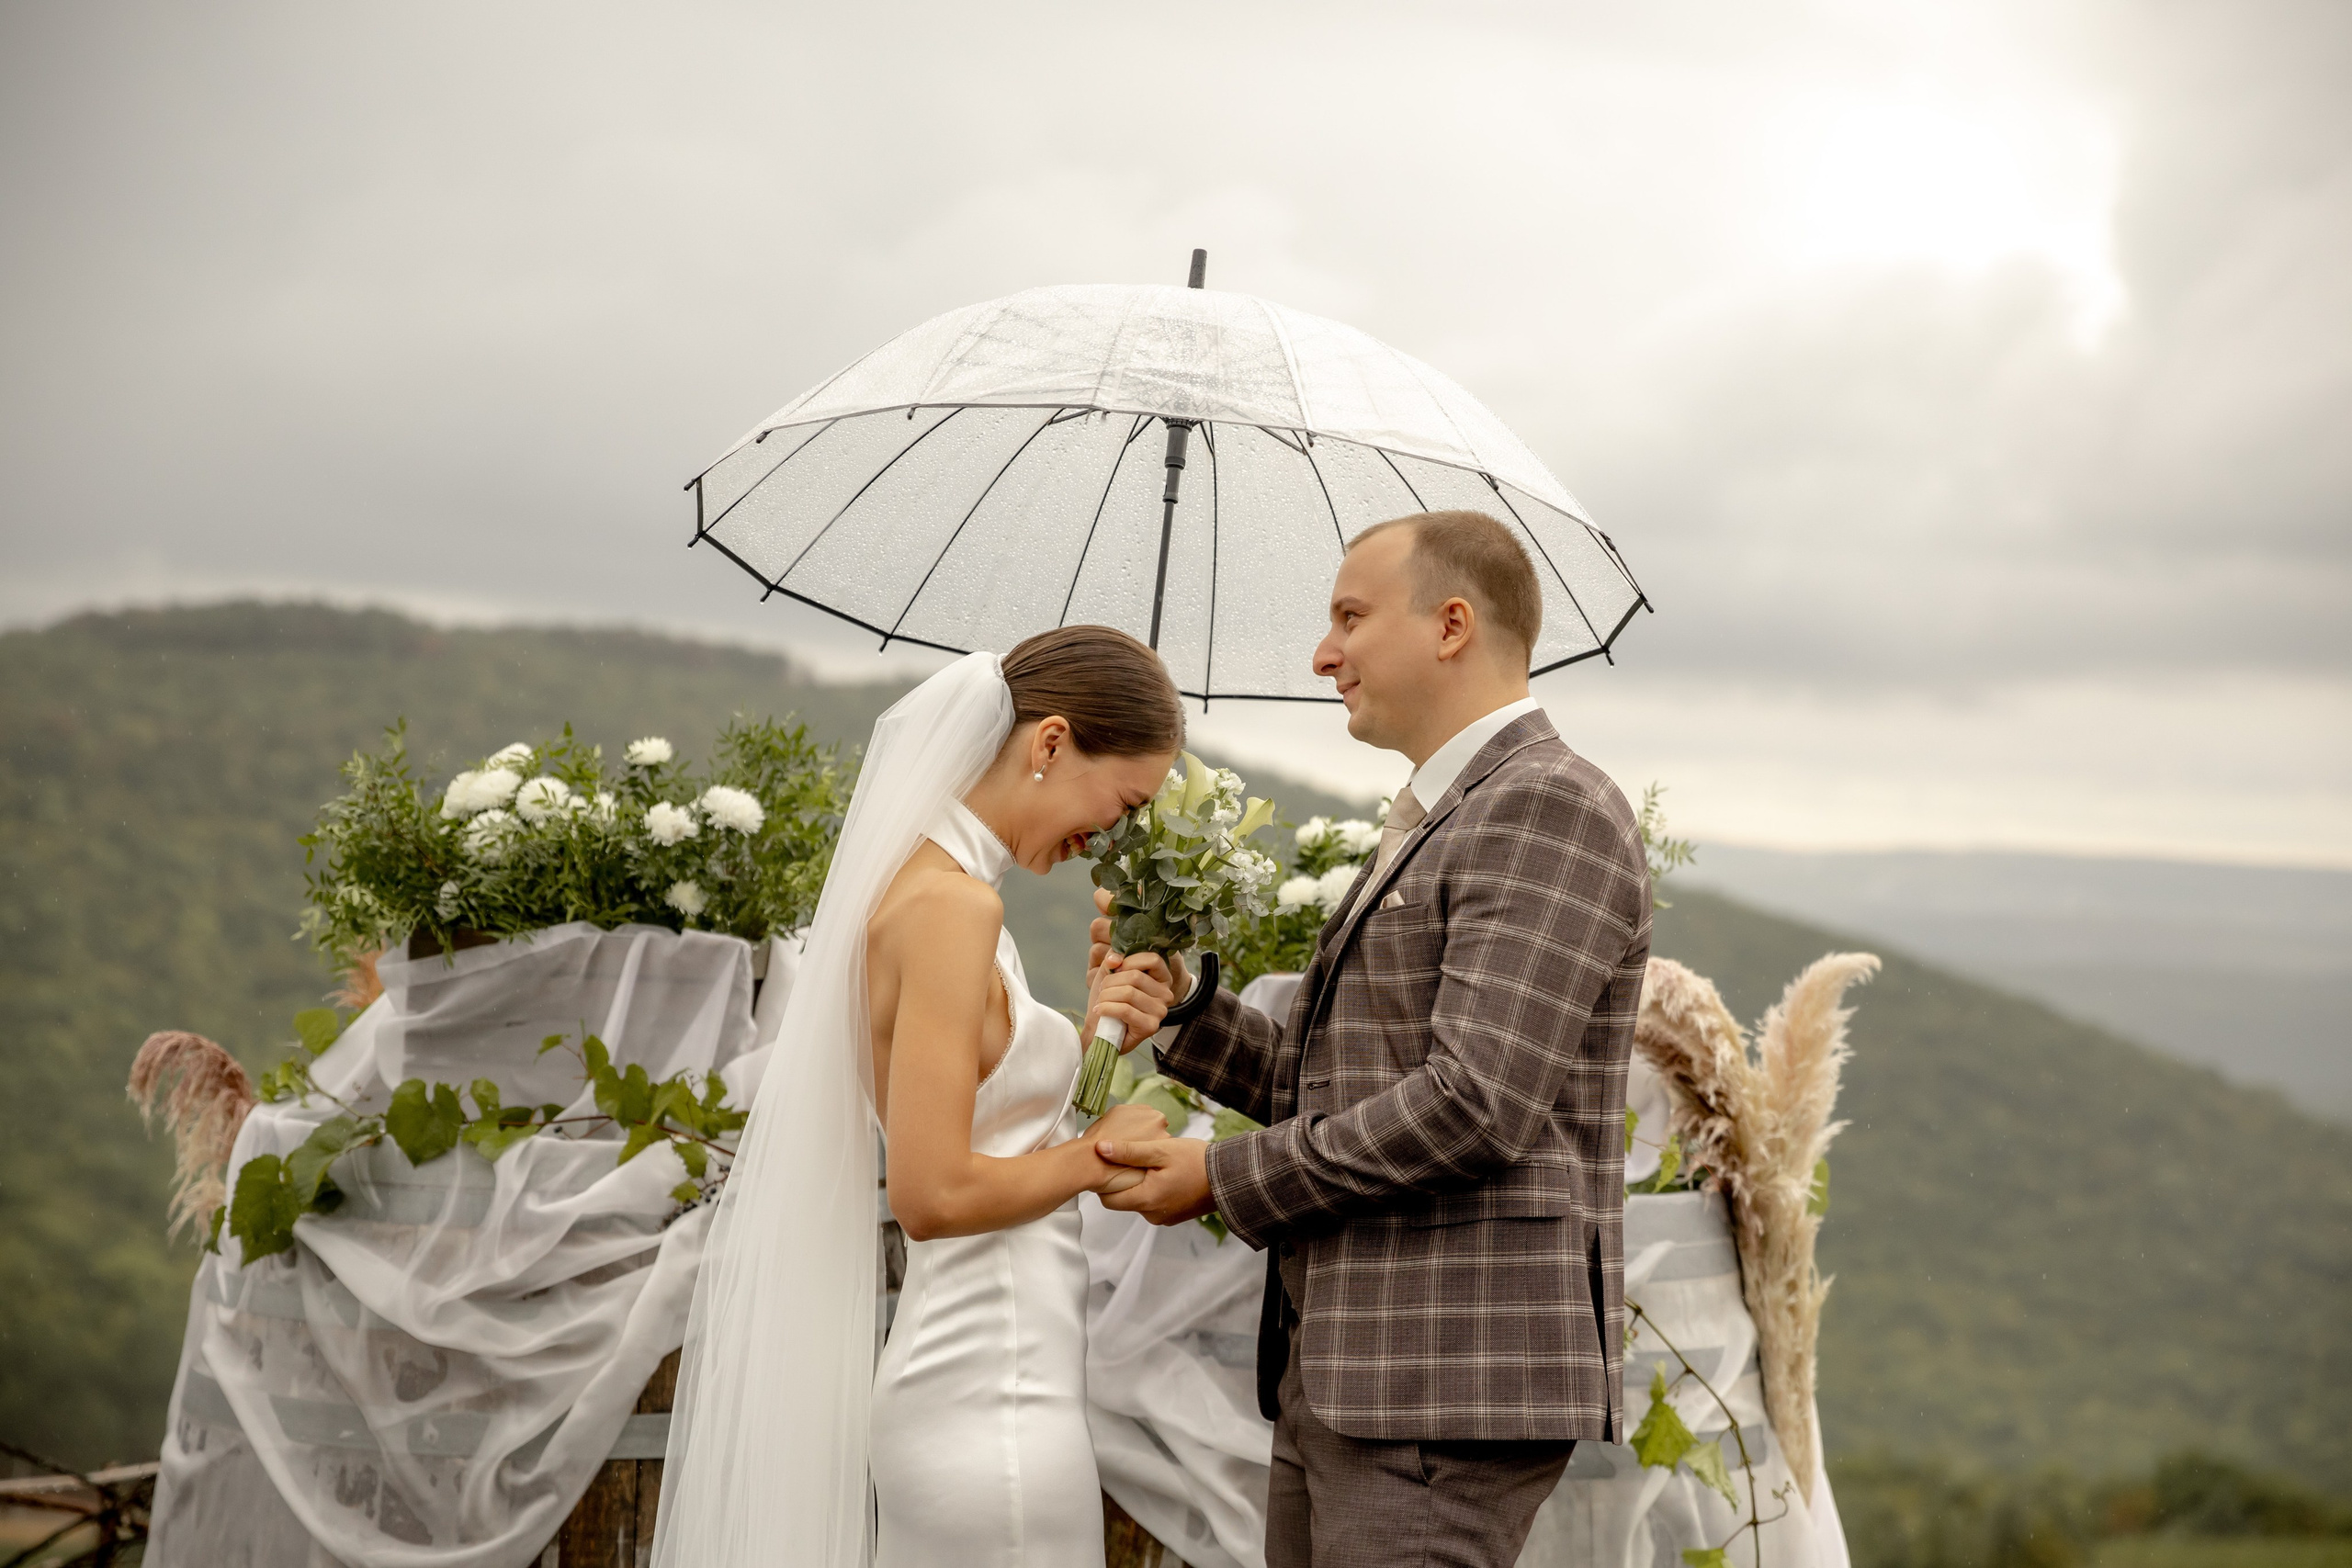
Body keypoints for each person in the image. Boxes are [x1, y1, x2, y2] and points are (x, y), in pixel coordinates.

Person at [1089, 511, 1652, 1568]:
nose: (1322, 654)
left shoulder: (1544, 806)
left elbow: (1472, 1105)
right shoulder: (1446, 812)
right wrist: (1185, 1017)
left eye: (1349, 617)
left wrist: (1219, 1177)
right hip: (1349, 1372)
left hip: (1440, 1392)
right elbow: (1345, 1087)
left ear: (1450, 625)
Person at [653, 626, 1186, 1568]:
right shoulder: (953, 908)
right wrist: (1101, 1155)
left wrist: (1094, 1029)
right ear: (1051, 743)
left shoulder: (936, 889)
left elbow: (986, 1105)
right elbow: (933, 1195)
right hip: (994, 1405)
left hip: (985, 1388)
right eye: (1125, 801)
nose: (1115, 834)